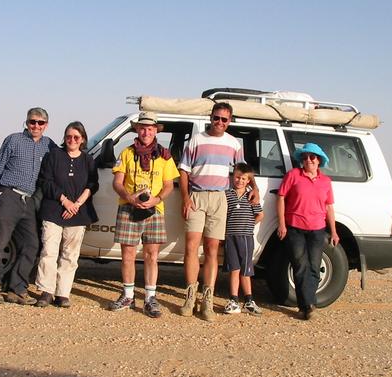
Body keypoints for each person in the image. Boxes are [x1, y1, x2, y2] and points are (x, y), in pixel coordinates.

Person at [178, 102, 259, 321]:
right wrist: (185, 198)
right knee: (191, 247)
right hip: (196, 196)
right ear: (210, 117)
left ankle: (208, 300)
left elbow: (243, 171)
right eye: (216, 118)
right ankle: (190, 296)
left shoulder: (233, 143)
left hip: (220, 198)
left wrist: (256, 190)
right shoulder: (196, 139)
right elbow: (184, 171)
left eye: (224, 119)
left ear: (229, 121)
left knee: (212, 249)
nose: (220, 122)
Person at [0, 108, 56, 305]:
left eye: (40, 123)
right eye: (32, 122)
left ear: (46, 125)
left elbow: (64, 156)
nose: (36, 126)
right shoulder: (13, 140)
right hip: (8, 196)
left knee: (31, 244)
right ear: (26, 122)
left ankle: (17, 289)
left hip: (29, 201)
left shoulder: (48, 145)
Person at [108, 111, 180, 318]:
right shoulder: (127, 153)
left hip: (154, 209)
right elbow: (117, 182)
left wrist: (156, 199)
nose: (146, 131)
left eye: (150, 128)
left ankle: (150, 298)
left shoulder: (165, 156)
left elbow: (168, 185)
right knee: (128, 255)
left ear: (156, 130)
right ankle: (128, 295)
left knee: (151, 255)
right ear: (137, 130)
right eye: (142, 127)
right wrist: (130, 198)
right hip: (128, 207)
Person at [35, 122, 99, 308]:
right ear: (64, 138)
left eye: (76, 137)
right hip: (53, 210)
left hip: (78, 213)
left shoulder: (88, 160)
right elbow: (45, 181)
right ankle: (46, 291)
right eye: (68, 137)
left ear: (83, 140)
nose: (72, 140)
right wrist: (65, 201)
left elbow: (93, 185)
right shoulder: (53, 156)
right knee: (49, 251)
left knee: (70, 255)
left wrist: (77, 204)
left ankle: (62, 293)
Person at [277, 142, 340, 320]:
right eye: (305, 157)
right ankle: (307, 305)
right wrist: (282, 224)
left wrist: (333, 232)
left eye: (312, 157)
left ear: (319, 160)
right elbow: (281, 198)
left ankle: (307, 305)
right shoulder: (293, 175)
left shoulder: (326, 182)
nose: (308, 160)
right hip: (295, 227)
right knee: (299, 266)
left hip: (318, 229)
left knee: (313, 266)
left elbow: (329, 207)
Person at [223, 163, 264, 315]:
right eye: (238, 177)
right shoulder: (227, 195)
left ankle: (249, 301)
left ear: (248, 180)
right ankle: (233, 300)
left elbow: (260, 214)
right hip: (230, 236)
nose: (240, 180)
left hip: (246, 237)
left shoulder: (250, 196)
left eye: (244, 178)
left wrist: (249, 225)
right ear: (233, 177)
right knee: (234, 268)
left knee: (246, 269)